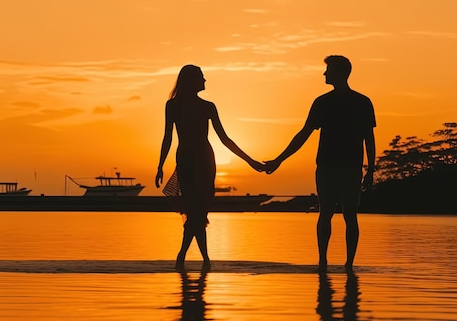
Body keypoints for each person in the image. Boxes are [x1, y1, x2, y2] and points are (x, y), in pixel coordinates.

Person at [264, 55, 376, 272]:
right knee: (328, 213)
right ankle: (323, 262)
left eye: (328, 70)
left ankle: (348, 264)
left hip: (349, 167)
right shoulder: (323, 102)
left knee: (347, 215)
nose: (324, 74)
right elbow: (304, 134)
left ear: (339, 72)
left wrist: (370, 169)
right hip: (328, 166)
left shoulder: (361, 102)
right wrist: (279, 160)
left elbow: (368, 138)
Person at [156, 64, 264, 270]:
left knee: (197, 211)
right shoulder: (175, 106)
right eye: (202, 77)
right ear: (192, 81)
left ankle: (194, 260)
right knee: (196, 211)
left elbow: (224, 139)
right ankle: (198, 260)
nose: (205, 81)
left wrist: (249, 160)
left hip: (200, 160)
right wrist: (160, 165)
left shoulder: (203, 106)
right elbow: (167, 137)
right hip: (191, 160)